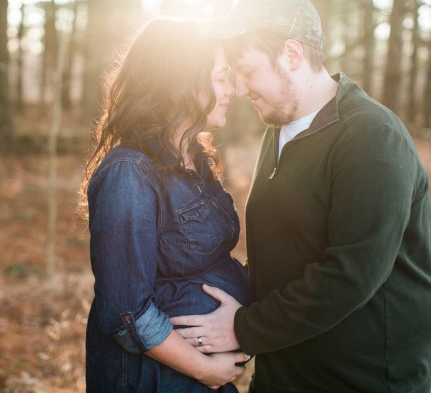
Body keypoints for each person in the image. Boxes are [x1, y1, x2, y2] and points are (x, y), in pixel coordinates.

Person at [170, 1, 431, 392]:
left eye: (247, 71)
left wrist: (243, 328)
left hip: (361, 378)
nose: (241, 88)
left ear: (292, 54)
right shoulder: (281, 128)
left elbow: (351, 274)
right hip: (285, 366)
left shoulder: (371, 138)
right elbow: (286, 248)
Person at [78, 19, 253, 392]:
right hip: (156, 379)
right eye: (221, 78)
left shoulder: (195, 159)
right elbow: (128, 314)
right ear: (183, 82)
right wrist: (204, 369)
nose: (232, 90)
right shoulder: (130, 174)